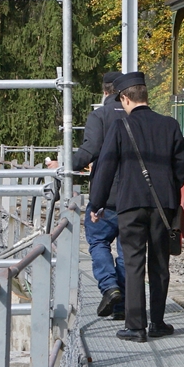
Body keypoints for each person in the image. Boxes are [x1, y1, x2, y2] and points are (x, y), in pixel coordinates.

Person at [89, 71, 184, 343]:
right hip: (163, 205)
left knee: (133, 263)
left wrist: (96, 204)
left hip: (130, 205)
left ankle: (135, 327)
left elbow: (106, 168)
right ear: (146, 95)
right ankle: (158, 322)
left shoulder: (120, 127)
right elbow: (181, 168)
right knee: (160, 262)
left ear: (123, 98)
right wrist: (169, 191)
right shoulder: (170, 125)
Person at [70, 71, 125, 319]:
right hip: (134, 198)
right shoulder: (137, 114)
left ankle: (109, 286)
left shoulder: (100, 115)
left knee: (98, 242)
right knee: (127, 253)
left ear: (104, 91)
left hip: (106, 196)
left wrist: (65, 163)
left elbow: (89, 150)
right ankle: (124, 306)